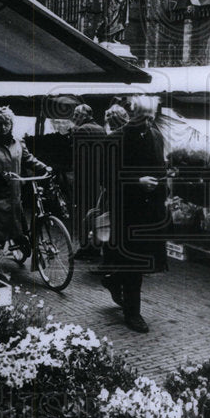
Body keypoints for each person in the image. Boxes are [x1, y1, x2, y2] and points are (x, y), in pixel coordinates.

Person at [102, 95, 168, 333]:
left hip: (150, 209)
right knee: (134, 262)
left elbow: (160, 167)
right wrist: (136, 181)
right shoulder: (115, 139)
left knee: (141, 260)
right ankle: (133, 313)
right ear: (134, 114)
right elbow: (105, 177)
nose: (148, 122)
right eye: (144, 117)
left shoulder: (155, 135)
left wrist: (163, 181)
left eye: (152, 117)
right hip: (127, 209)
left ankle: (112, 278)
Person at [0, 106, 52, 255]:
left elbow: (28, 158)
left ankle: (18, 242)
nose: (3, 127)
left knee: (16, 223)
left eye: (6, 123)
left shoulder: (18, 142)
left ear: (11, 124)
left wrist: (44, 167)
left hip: (14, 192)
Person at [71, 104, 105, 256]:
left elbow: (78, 159)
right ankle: (96, 247)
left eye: (76, 114)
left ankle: (84, 248)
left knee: (83, 214)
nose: (73, 117)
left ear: (84, 115)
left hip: (84, 180)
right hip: (98, 180)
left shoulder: (81, 130)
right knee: (95, 214)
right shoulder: (102, 129)